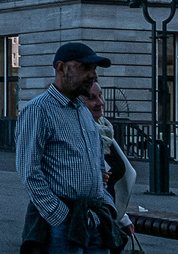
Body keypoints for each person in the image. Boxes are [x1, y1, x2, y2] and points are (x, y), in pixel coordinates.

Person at [16, 42, 124, 254]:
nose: (93, 75)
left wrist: (106, 205)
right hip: (62, 224)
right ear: (61, 67)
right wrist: (57, 215)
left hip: (93, 217)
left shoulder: (82, 111)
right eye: (85, 68)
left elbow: (97, 164)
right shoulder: (39, 110)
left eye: (95, 69)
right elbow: (29, 170)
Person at [80, 83, 135, 226]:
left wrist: (123, 218)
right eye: (91, 98)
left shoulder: (105, 130)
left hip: (109, 218)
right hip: (90, 219)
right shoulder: (80, 133)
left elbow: (113, 181)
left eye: (100, 95)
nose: (100, 102)